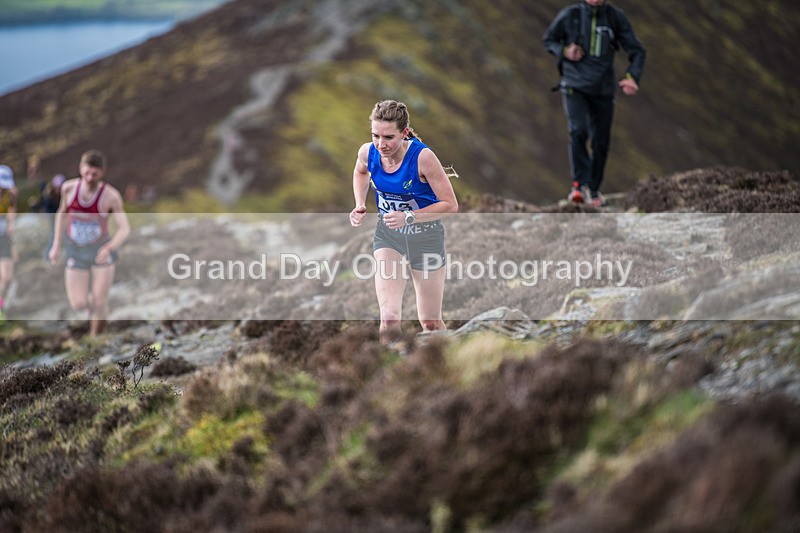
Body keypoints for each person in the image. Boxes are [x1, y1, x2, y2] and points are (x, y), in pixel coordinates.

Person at [349, 100, 458, 344]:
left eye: (388, 137)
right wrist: (360, 203)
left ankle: (447, 364)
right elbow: (360, 172)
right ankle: (389, 377)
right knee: (388, 319)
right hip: (389, 236)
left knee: (429, 322)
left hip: (426, 237)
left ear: (404, 133)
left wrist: (408, 217)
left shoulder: (423, 158)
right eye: (375, 135)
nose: (381, 144)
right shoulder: (368, 152)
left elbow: (450, 204)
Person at [543, 0, 646, 206]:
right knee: (578, 131)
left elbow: (637, 51)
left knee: (601, 140)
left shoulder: (615, 18)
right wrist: (565, 51)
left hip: (603, 89)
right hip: (574, 85)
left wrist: (632, 76)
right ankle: (579, 186)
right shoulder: (570, 15)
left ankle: (593, 187)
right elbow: (549, 40)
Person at [49, 150, 130, 337]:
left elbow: (124, 228)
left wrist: (110, 247)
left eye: (94, 174)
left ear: (102, 172)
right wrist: (56, 245)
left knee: (100, 301)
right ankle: (97, 312)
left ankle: (95, 338)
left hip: (100, 250)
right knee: (79, 303)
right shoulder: (68, 189)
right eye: (86, 173)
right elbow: (61, 214)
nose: (90, 177)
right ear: (80, 169)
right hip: (76, 250)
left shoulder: (111, 196)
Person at [0, 165, 17, 320]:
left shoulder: (9, 197)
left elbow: (11, 213)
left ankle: (0, 305)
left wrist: (12, 226)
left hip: (4, 239)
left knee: (8, 277)